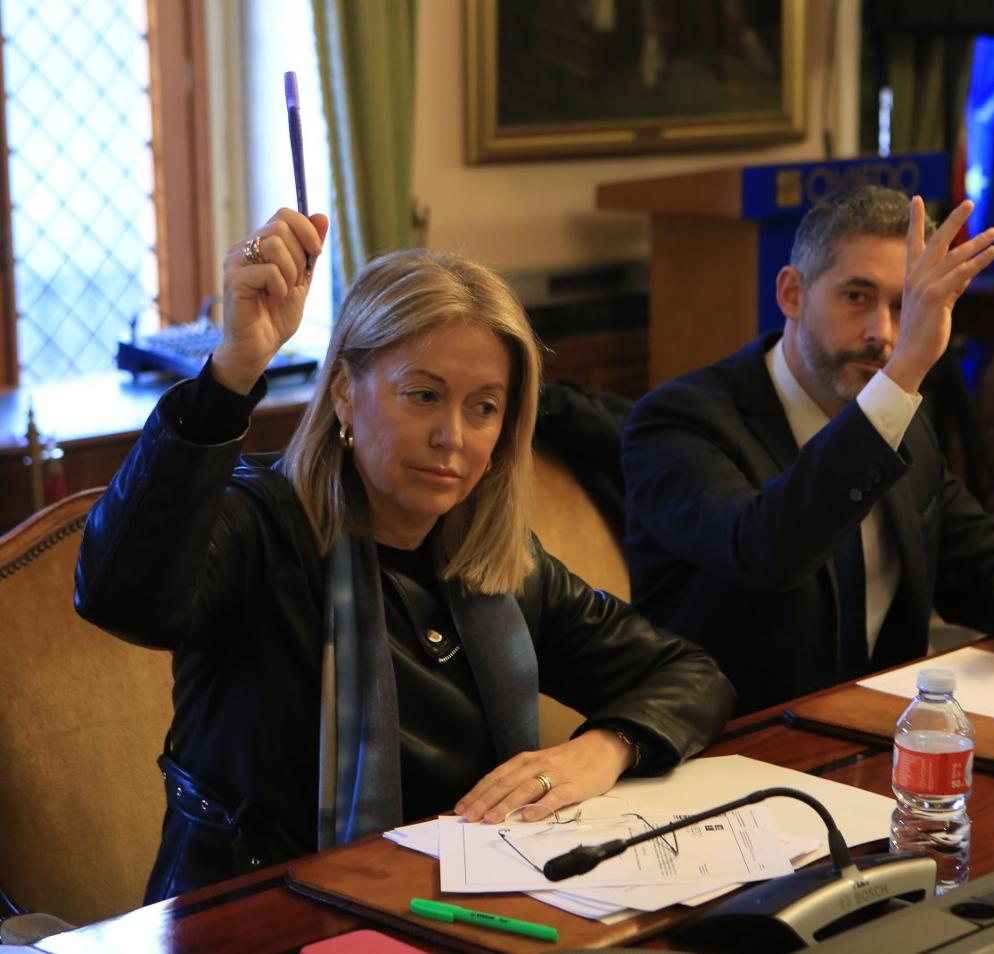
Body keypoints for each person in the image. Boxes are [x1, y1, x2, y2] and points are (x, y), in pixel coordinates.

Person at [75, 208, 735, 899]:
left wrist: (601, 750)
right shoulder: (260, 526)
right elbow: (123, 597)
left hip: (457, 909)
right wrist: (231, 373)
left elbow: (691, 675)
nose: (452, 436)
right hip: (261, 917)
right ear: (344, 396)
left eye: (484, 408)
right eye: (423, 395)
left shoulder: (496, 563)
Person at [621, 186, 994, 715]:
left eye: (904, 307)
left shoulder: (901, 422)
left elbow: (975, 568)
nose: (885, 334)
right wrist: (902, 376)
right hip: (727, 746)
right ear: (791, 294)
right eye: (857, 297)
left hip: (877, 740)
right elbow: (767, 551)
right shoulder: (678, 422)